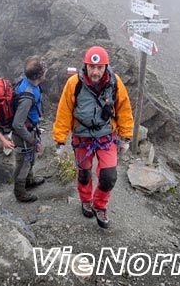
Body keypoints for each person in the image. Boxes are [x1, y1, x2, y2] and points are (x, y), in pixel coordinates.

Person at [53, 46, 134, 228]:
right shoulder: (74, 84)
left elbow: (124, 109)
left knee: (109, 175)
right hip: (82, 136)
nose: (95, 72)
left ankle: (99, 205)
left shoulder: (115, 82)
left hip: (106, 135)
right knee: (84, 174)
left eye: (100, 67)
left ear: (106, 67)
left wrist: (125, 137)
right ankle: (85, 200)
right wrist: (60, 141)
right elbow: (64, 112)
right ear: (86, 66)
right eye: (92, 67)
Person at [11, 56, 48, 202]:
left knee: (29, 159)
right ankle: (20, 192)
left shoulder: (30, 84)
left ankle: (29, 180)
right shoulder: (28, 95)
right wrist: (30, 138)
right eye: (44, 70)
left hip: (30, 128)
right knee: (23, 163)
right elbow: (17, 124)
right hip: (23, 134)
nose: (46, 72)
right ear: (39, 76)